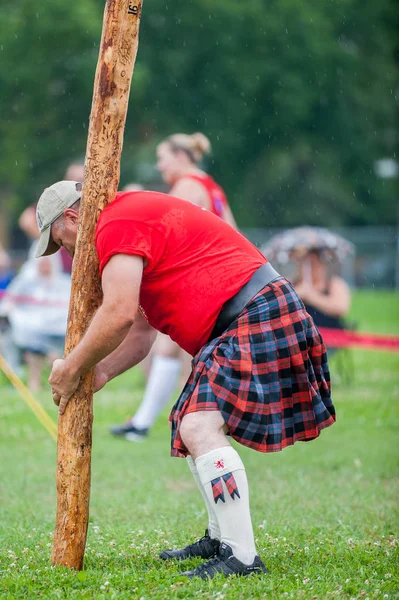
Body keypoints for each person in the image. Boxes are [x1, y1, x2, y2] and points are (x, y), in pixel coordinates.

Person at [38, 180, 335, 579]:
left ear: (73, 217)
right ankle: (220, 536)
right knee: (189, 422)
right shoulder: (127, 221)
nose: (69, 254)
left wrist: (71, 367)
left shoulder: (114, 224)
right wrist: (103, 371)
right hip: (240, 318)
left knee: (200, 425)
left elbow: (119, 313)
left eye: (62, 241)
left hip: (252, 311)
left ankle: (241, 557)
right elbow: (141, 332)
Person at [111, 133, 238, 442]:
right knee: (171, 351)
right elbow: (234, 232)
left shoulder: (187, 187)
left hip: (202, 283)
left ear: (181, 156)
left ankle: (187, 425)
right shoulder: (212, 187)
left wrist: (134, 200)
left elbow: (163, 230)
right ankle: (149, 423)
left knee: (183, 358)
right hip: (218, 278)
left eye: (162, 157)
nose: (159, 164)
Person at [0, 254, 71, 391]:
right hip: (30, 332)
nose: (45, 266)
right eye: (42, 263)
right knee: (12, 338)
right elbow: (7, 303)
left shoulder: (64, 282)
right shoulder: (25, 282)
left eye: (48, 263)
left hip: (59, 331)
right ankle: (24, 377)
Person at [292, 250, 351, 338]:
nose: (311, 268)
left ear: (323, 265)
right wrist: (296, 295)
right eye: (305, 264)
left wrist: (312, 296)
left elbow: (341, 308)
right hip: (298, 336)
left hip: (329, 335)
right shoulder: (291, 284)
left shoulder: (334, 284)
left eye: (314, 264)